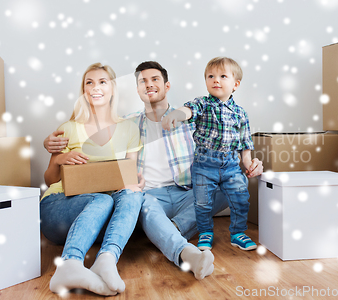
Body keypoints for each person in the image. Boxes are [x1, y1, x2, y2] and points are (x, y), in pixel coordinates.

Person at [44, 61, 263, 280]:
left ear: (167, 86)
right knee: (138, 199)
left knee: (233, 183)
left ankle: (171, 229)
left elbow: (226, 148)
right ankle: (184, 251)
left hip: (187, 192)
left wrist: (250, 163)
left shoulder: (194, 120)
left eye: (155, 79)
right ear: (137, 89)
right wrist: (52, 145)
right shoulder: (127, 125)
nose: (149, 85)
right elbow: (93, 141)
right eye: (142, 82)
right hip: (149, 197)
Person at [40, 63, 144, 296]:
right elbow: (49, 180)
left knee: (133, 193)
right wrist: (60, 159)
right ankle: (70, 264)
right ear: (84, 90)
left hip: (100, 217)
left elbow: (129, 176)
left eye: (102, 82)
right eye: (90, 82)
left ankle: (106, 259)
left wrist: (136, 183)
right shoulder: (68, 128)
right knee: (102, 200)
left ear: (113, 89)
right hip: (59, 208)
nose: (95, 87)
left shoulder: (129, 129)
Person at [162, 57, 258, 252]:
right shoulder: (203, 104)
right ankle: (205, 231)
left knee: (240, 198)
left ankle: (238, 233)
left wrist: (248, 163)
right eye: (210, 76)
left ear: (235, 84)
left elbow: (245, 143)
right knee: (203, 203)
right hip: (205, 165)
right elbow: (189, 110)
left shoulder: (240, 113)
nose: (216, 80)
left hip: (231, 165)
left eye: (223, 76)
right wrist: (177, 115)